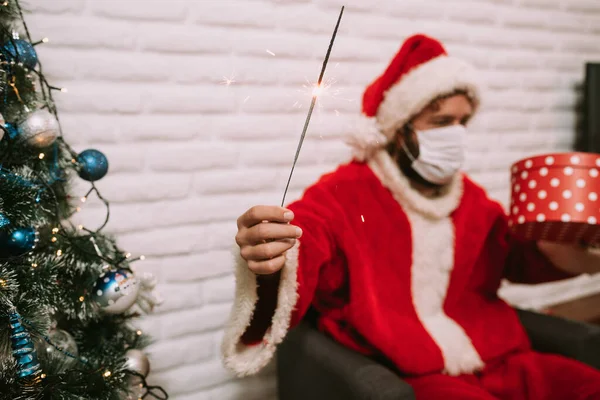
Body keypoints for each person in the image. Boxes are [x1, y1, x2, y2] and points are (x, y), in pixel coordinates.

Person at [221, 34, 600, 399]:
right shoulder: (345, 193)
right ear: (397, 129)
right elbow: (305, 241)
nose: (456, 135)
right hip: (416, 369)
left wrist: (566, 244)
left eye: (462, 122)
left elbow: (511, 257)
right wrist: (270, 254)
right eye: (440, 122)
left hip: (497, 358)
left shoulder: (470, 197)